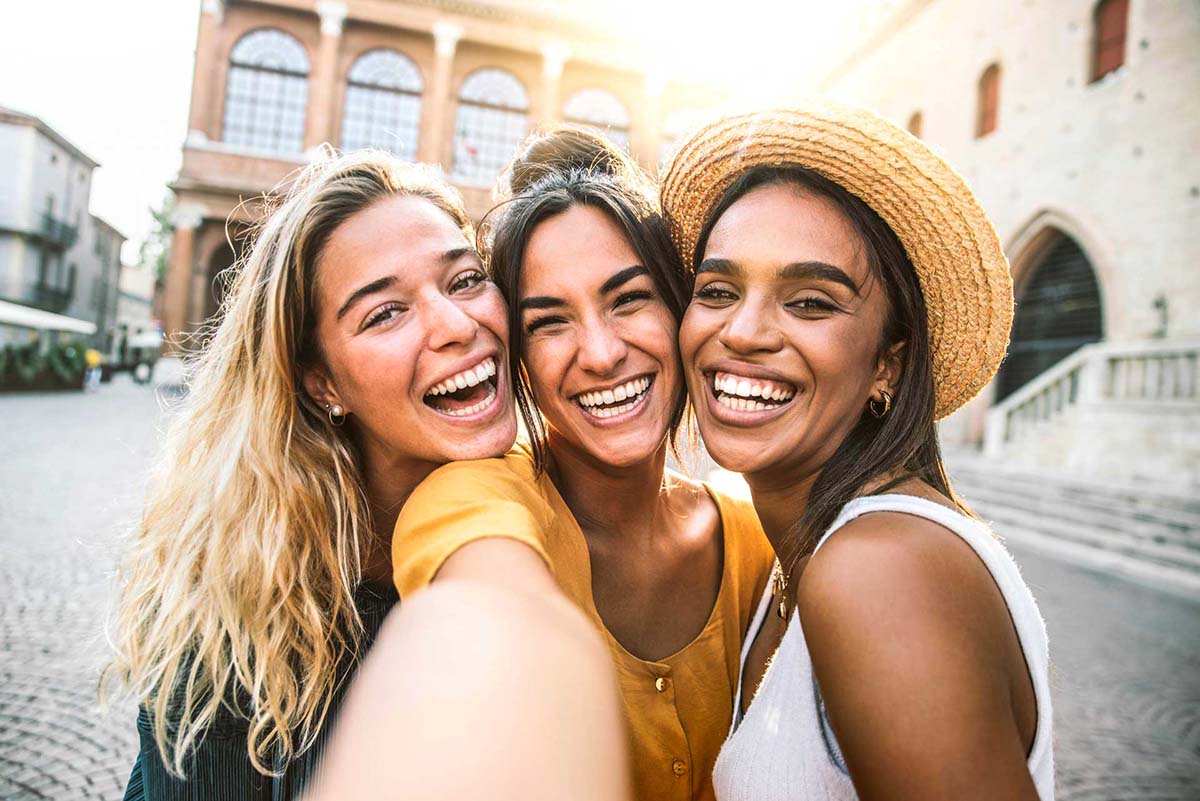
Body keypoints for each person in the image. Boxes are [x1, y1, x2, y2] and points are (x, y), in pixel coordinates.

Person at [105, 150, 596, 799]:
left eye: (465, 280)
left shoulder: (564, 512)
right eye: (385, 313)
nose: (458, 325)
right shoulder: (241, 609)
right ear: (321, 380)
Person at [660, 103, 1054, 800]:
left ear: (888, 365)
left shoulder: (877, 570)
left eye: (810, 302)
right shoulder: (799, 556)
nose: (744, 331)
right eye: (717, 290)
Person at [390, 127, 775, 801]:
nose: (599, 353)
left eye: (629, 299)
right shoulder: (473, 499)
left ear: (681, 309)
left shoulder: (754, 541)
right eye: (549, 322)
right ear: (519, 360)